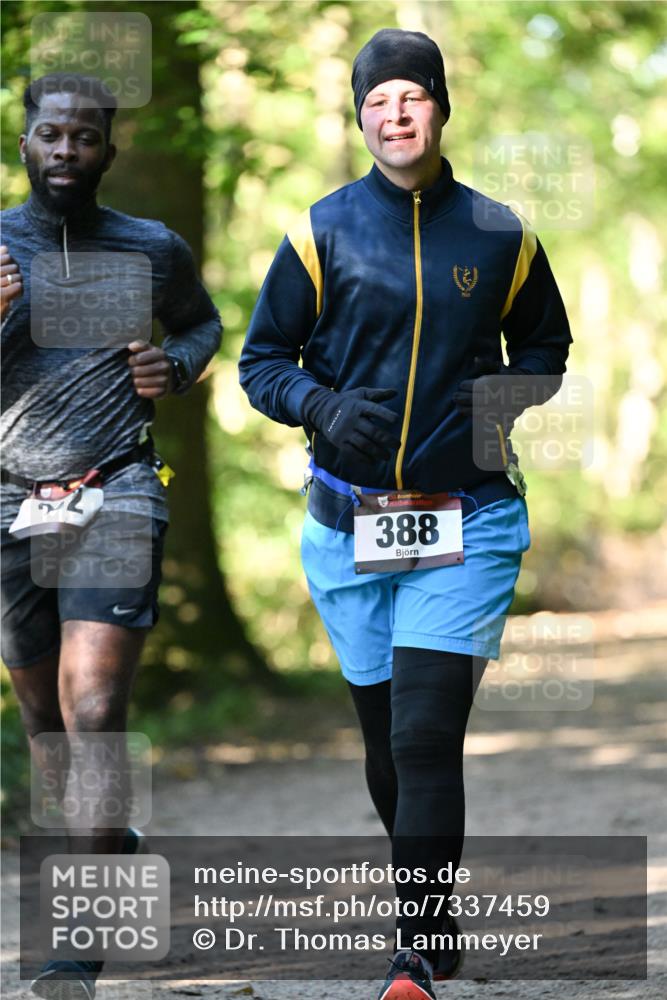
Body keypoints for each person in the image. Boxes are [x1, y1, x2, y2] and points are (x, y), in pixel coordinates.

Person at [240, 27, 571, 1000]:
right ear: (360, 114)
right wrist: (324, 407)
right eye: (377, 99)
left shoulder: (501, 234)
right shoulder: (321, 230)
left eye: (411, 96)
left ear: (439, 106)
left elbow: (546, 347)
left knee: (426, 735)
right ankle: (434, 910)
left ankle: (412, 953)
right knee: (388, 742)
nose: (396, 113)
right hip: (347, 524)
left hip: (468, 516)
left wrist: (496, 404)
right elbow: (264, 360)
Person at [0, 73, 222, 999]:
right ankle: (109, 836)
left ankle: (76, 941)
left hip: (116, 489)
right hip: (8, 501)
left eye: (83, 139)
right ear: (25, 144)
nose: (65, 152)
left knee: (94, 712)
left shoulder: (150, 246)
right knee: (47, 722)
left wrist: (174, 364)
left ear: (107, 150)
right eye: (50, 135)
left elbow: (205, 324)